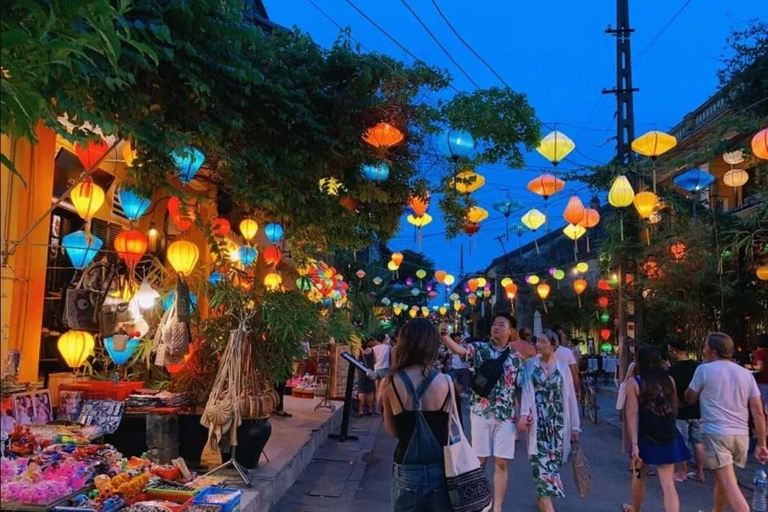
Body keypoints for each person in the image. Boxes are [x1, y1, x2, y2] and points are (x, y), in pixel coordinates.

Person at [441, 312, 525, 512]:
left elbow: (518, 389)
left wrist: (521, 415)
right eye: (494, 324)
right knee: (480, 460)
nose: (496, 327)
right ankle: (479, 503)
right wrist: (444, 336)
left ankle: (497, 507)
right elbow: (459, 350)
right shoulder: (479, 349)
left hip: (505, 416)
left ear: (511, 331)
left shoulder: (516, 358)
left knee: (501, 462)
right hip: (481, 412)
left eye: (501, 324)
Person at [684, 332, 768, 512]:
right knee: (723, 481)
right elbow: (758, 411)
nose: (703, 350)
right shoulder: (745, 374)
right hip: (741, 436)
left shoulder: (704, 370)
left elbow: (689, 397)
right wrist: (761, 442)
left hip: (716, 433)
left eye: (705, 346)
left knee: (729, 483)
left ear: (714, 351)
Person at [381, 318, 453, 512]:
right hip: (441, 467)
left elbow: (392, 430)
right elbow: (450, 429)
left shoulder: (391, 382)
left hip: (407, 467)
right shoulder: (446, 382)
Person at [519, 329, 581, 512]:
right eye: (538, 341)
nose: (539, 344)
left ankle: (542, 495)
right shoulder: (530, 365)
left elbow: (569, 398)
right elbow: (526, 391)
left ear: (553, 345)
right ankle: (547, 505)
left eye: (544, 342)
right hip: (537, 421)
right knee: (540, 462)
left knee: (552, 463)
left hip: (558, 422)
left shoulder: (562, 368)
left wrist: (575, 426)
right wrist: (524, 413)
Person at [624, 345, 689, 512]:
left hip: (645, 436)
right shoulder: (670, 381)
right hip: (668, 433)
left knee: (639, 477)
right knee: (668, 483)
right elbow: (674, 407)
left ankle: (636, 509)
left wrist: (634, 444)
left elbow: (632, 414)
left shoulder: (635, 383)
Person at [666, 338, 705, 483]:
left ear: (674, 351)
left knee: (682, 441)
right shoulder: (698, 367)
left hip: (681, 411)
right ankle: (700, 472)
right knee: (698, 441)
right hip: (697, 409)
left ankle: (683, 472)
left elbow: (671, 391)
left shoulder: (673, 370)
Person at [551, 323, 581, 401]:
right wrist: (578, 390)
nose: (565, 341)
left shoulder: (544, 353)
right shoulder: (567, 352)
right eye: (564, 338)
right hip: (566, 389)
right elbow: (574, 373)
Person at [373, 333, 392, 413]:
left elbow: (373, 359)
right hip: (385, 369)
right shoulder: (388, 347)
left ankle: (376, 406)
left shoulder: (374, 348)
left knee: (377, 389)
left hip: (376, 369)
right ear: (384, 339)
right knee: (381, 390)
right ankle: (378, 408)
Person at [357, 339, 377, 417]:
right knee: (370, 391)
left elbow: (356, 361)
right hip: (370, 372)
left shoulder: (359, 350)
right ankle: (370, 409)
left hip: (362, 372)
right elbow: (375, 361)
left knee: (361, 391)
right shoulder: (372, 350)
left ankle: (360, 410)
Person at [752, 333, 768, 417]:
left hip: (762, 381)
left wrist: (750, 366)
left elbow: (759, 367)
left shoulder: (760, 353)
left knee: (763, 405)